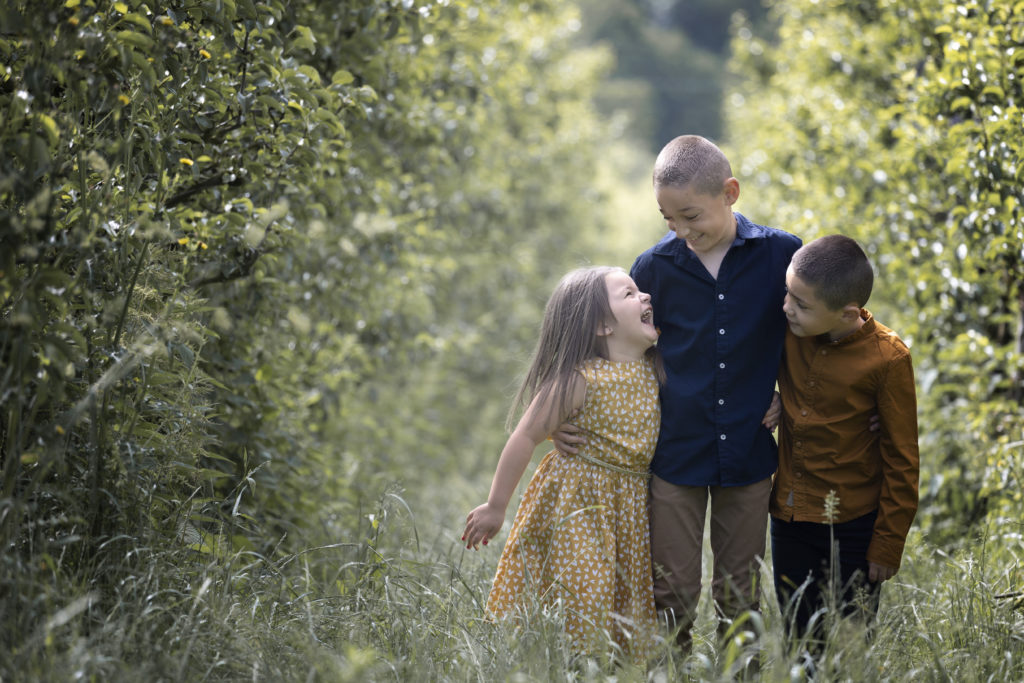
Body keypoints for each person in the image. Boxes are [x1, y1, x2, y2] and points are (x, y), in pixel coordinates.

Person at [555, 135, 801, 648]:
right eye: (669, 219)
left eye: (692, 215)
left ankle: (742, 670)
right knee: (673, 589)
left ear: (729, 192)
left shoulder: (781, 254)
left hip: (750, 452)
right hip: (673, 451)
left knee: (739, 590)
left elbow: (805, 338)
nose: (683, 231)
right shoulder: (653, 268)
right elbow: (620, 352)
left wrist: (792, 395)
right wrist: (571, 416)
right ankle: (670, 669)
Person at [462, 266, 664, 661]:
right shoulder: (578, 380)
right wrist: (496, 505)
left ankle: (613, 664)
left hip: (630, 504)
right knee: (584, 588)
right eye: (629, 294)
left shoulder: (654, 367)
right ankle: (571, 663)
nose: (646, 298)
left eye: (640, 292)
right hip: (578, 502)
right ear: (603, 326)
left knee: (624, 590)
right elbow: (524, 437)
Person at [771, 234, 919, 641]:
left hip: (856, 523)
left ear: (846, 313)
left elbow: (902, 456)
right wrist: (772, 397)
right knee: (799, 637)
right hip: (791, 517)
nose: (787, 307)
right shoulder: (787, 328)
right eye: (787, 294)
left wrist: (888, 543)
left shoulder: (888, 359)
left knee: (853, 639)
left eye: (801, 304)